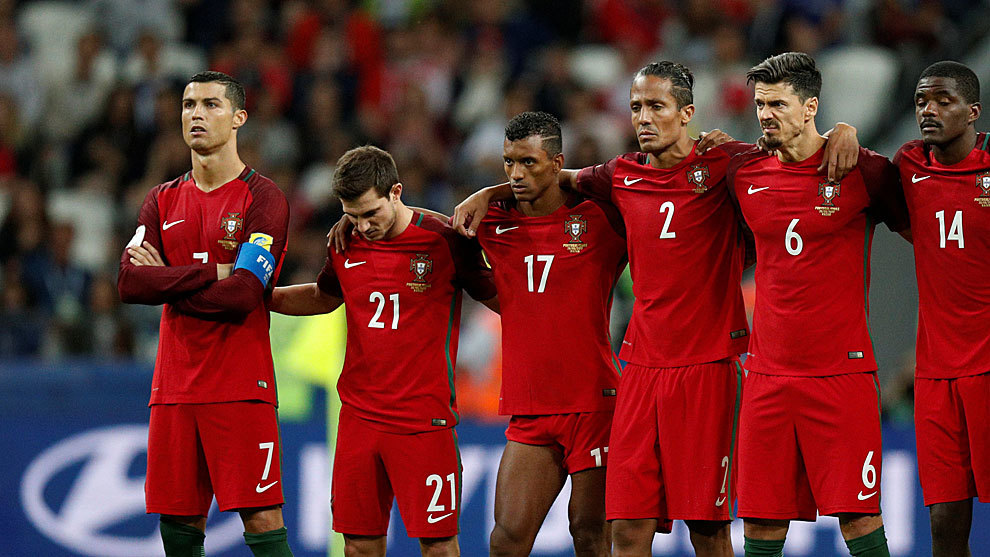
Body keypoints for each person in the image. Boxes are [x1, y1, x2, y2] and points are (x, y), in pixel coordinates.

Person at [453, 61, 861, 557]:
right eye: (636, 107)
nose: (643, 118)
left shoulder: (727, 163)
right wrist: (489, 191)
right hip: (641, 370)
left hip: (709, 366)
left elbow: (795, 149)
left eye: (656, 106)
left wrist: (842, 131)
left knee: (706, 529)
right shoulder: (619, 175)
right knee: (626, 527)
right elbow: (552, 177)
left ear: (686, 113)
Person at [269, 145, 498, 557]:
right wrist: (260, 296)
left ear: (396, 192)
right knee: (358, 545)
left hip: (423, 422)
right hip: (359, 420)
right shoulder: (345, 241)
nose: (362, 225)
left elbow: (498, 297)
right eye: (352, 215)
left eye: (370, 213)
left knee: (439, 546)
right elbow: (323, 297)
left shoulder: (444, 240)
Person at [727, 52, 909, 557]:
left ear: (810, 107)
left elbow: (925, 235)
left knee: (858, 515)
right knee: (761, 519)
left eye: (778, 104)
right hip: (767, 375)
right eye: (761, 104)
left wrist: (846, 133)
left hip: (840, 375)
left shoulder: (863, 170)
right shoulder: (743, 172)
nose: (766, 115)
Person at [117, 71, 293, 556]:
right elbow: (129, 283)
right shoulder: (161, 199)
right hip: (174, 387)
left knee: (262, 516)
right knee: (179, 518)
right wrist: (213, 271)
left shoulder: (264, 198)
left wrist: (167, 281)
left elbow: (243, 294)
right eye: (188, 104)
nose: (196, 114)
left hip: (240, 385)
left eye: (211, 104)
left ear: (239, 118)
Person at [476, 111, 626, 556]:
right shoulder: (490, 222)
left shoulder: (602, 219)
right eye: (509, 162)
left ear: (558, 163)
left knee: (589, 534)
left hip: (593, 404)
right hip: (531, 408)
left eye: (529, 162)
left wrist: (487, 191)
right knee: (506, 540)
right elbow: (428, 238)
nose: (516, 174)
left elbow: (648, 189)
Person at [892, 60, 990, 557]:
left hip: (988, 366)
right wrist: (843, 131)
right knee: (944, 522)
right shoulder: (908, 166)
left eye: (943, 100)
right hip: (936, 375)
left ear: (973, 111)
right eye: (921, 101)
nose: (928, 110)